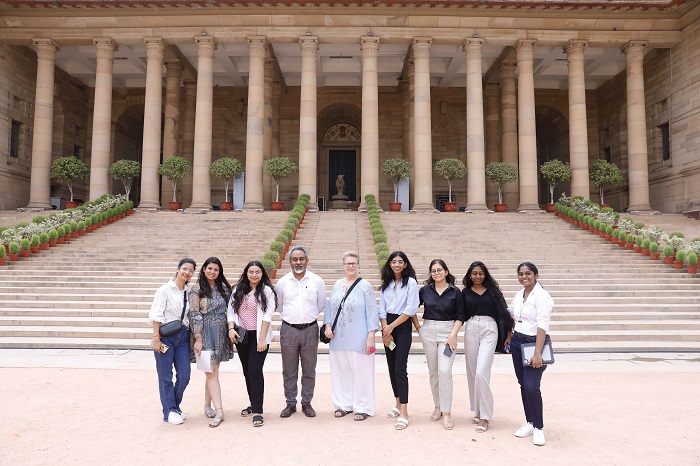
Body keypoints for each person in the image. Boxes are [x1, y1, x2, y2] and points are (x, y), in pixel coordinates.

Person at [323, 251, 379, 421]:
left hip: (359, 337)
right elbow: (330, 308)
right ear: (343, 265)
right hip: (338, 336)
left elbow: (372, 312)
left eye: (354, 263)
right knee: (341, 372)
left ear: (359, 265)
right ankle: (343, 404)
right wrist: (327, 326)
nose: (351, 266)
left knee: (361, 372)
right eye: (348, 263)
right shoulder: (338, 284)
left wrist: (371, 336)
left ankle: (363, 407)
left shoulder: (365, 286)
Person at [461, 260, 515, 433]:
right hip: (470, 327)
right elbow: (461, 314)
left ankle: (485, 416)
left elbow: (505, 313)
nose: (478, 276)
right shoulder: (465, 292)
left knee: (481, 371)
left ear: (485, 274)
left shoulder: (493, 292)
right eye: (474, 273)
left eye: (481, 273)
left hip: (489, 329)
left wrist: (508, 335)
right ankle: (477, 410)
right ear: (470, 275)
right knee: (471, 372)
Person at [275, 245, 327, 418]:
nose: (298, 262)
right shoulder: (282, 282)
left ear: (307, 260)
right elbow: (280, 306)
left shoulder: (317, 281)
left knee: (309, 369)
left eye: (301, 259)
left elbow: (320, 305)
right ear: (290, 262)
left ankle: (307, 403)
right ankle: (290, 404)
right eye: (295, 259)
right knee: (289, 370)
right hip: (288, 330)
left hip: (310, 329)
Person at [505, 262, 554, 446]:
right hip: (518, 342)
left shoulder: (542, 296)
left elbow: (542, 326)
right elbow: (511, 314)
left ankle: (539, 428)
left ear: (535, 274)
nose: (524, 277)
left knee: (532, 386)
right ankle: (530, 422)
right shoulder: (519, 295)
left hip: (535, 343)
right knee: (522, 384)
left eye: (528, 273)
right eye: (521, 274)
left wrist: (537, 353)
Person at [227, 260, 277, 427]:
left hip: (259, 335)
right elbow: (230, 311)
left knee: (255, 370)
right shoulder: (238, 289)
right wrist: (231, 329)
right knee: (247, 371)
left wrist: (262, 339)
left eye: (257, 272)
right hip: (241, 335)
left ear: (262, 273)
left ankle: (258, 411)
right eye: (251, 272)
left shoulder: (267, 291)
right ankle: (252, 403)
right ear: (246, 273)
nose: (254, 275)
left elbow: (267, 316)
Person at [418, 259, 466, 430]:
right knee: (433, 371)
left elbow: (460, 316)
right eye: (433, 270)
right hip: (428, 330)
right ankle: (437, 407)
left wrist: (453, 336)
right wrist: (419, 328)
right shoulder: (424, 291)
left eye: (439, 270)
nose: (436, 273)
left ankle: (447, 412)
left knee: (445, 371)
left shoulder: (455, 292)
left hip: (448, 332)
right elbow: (410, 308)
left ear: (446, 272)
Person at [149, 258, 196, 425]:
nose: (187, 272)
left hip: (183, 337)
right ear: (178, 269)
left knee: (185, 375)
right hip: (165, 337)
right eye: (185, 268)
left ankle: (174, 406)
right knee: (165, 376)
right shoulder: (164, 290)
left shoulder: (189, 293)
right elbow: (156, 314)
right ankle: (169, 410)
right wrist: (156, 338)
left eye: (191, 270)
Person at [189, 256, 234, 428]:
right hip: (204, 332)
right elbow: (194, 314)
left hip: (221, 332)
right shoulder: (196, 289)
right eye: (210, 268)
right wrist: (198, 338)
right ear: (204, 269)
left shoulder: (224, 289)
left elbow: (231, 309)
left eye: (216, 269)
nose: (212, 272)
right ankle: (220, 410)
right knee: (210, 372)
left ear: (219, 271)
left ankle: (207, 405)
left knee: (213, 370)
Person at [379, 251, 420, 430]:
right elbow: (381, 309)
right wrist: (385, 329)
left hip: (402, 326)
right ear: (389, 264)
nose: (396, 264)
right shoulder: (385, 284)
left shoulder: (410, 283)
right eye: (393, 261)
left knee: (400, 368)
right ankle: (397, 404)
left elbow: (411, 308)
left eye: (400, 262)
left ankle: (404, 411)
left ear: (405, 265)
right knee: (391, 368)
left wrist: (391, 327)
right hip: (387, 325)